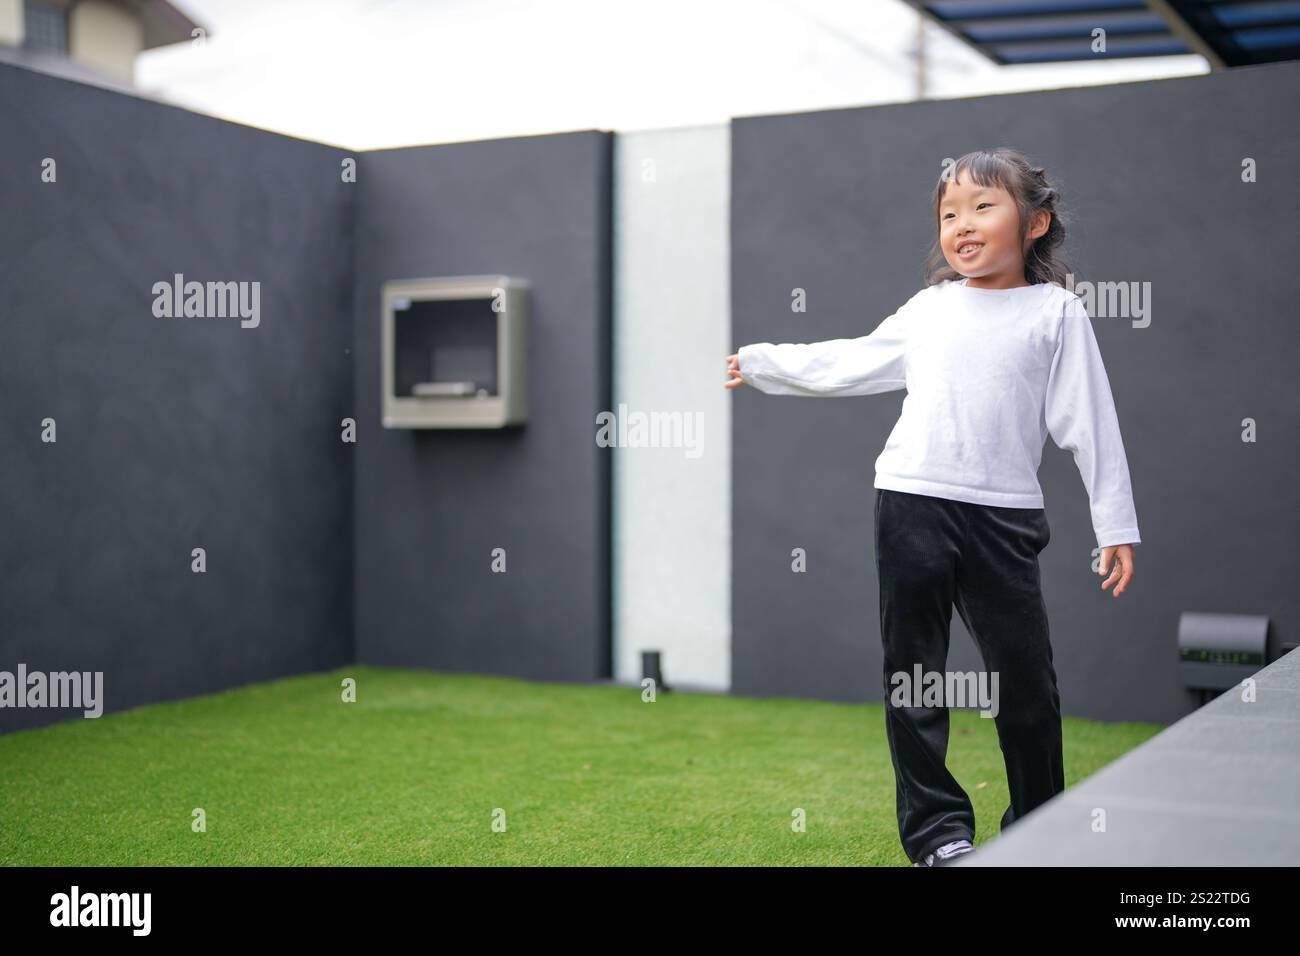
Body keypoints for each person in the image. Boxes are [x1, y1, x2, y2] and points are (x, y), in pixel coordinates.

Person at [723, 147, 1140, 867]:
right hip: (911, 504)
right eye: (949, 213)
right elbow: (851, 360)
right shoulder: (931, 309)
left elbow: (1091, 422)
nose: (962, 224)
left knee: (1027, 687)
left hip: (1004, 519)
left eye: (983, 206)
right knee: (914, 675)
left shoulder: (1056, 313)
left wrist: (1116, 525)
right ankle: (937, 835)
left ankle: (1038, 827)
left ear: (1035, 222)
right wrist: (766, 363)